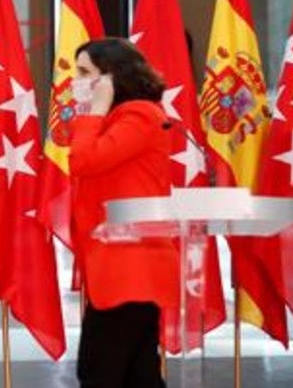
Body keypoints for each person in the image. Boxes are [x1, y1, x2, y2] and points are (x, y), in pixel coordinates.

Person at [68, 37, 179, 388]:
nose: (77, 80)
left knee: (100, 372)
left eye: (86, 72)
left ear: (112, 77)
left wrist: (95, 110)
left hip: (131, 265)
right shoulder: (122, 118)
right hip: (120, 263)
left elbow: (83, 161)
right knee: (138, 375)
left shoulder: (139, 116)